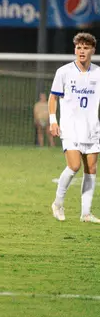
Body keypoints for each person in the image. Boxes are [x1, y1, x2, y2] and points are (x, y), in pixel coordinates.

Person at [49, 32, 100, 223]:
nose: (81, 51)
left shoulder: (98, 73)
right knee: (74, 166)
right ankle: (58, 203)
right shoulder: (64, 72)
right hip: (70, 127)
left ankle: (86, 213)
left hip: (92, 128)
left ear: (93, 50)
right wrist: (53, 120)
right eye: (79, 47)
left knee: (91, 169)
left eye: (86, 48)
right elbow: (53, 97)